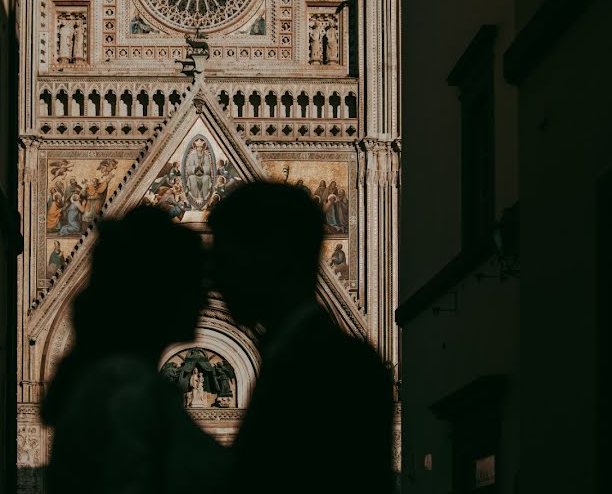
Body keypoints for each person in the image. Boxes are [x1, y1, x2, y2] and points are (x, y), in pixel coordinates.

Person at [208, 182, 394, 494]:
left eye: (228, 258)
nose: (215, 277)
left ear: (275, 257)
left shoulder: (337, 367)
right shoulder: (293, 354)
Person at [42, 206, 224, 494]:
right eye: (192, 284)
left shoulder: (110, 383)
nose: (203, 300)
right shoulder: (125, 393)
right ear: (157, 294)